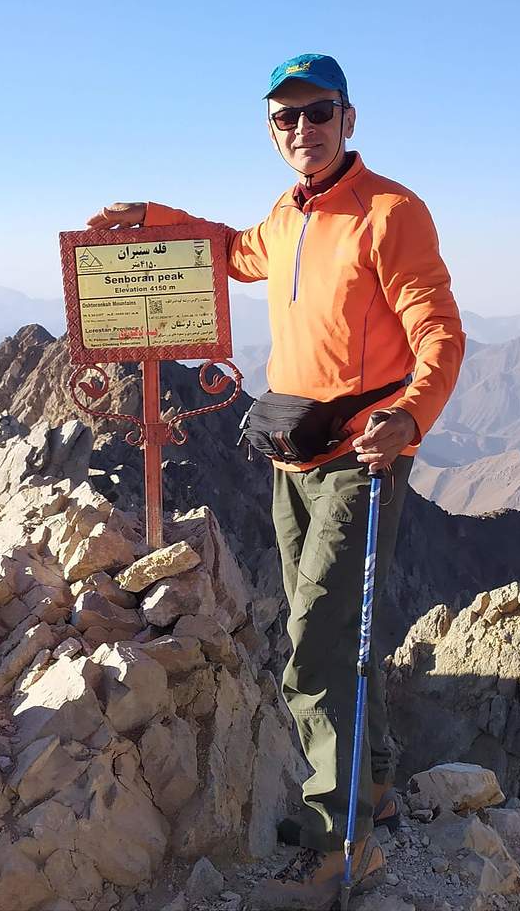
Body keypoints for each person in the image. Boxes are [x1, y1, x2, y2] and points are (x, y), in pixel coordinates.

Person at [88, 52, 465, 910]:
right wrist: (154, 216)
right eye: (285, 118)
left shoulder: (391, 213)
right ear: (271, 129)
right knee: (319, 628)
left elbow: (437, 326)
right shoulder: (290, 217)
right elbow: (232, 252)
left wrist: (411, 417)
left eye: (318, 112)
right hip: (292, 459)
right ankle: (368, 789)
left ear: (349, 118)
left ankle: (343, 848)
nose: (303, 129)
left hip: (360, 458)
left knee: (318, 640)